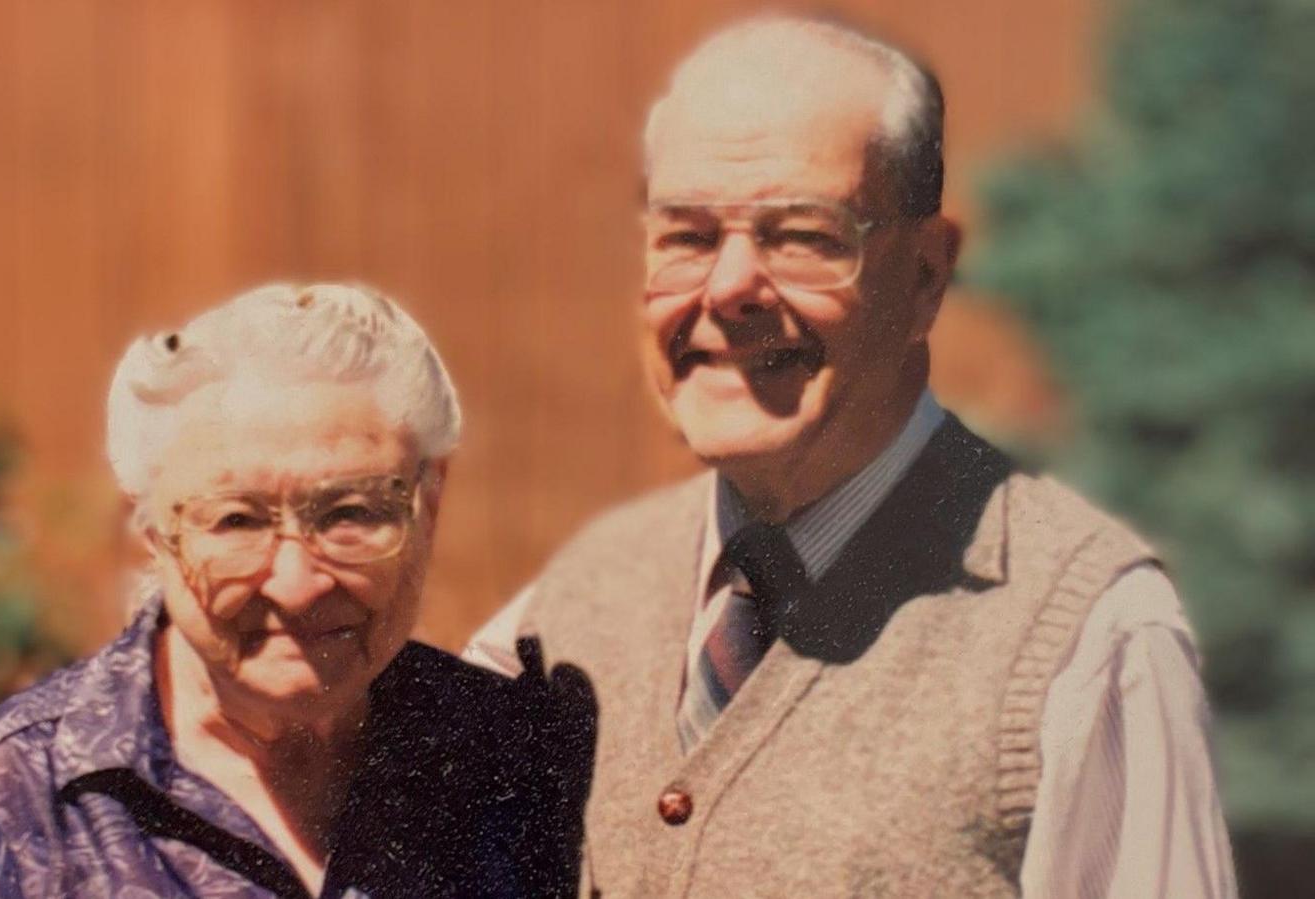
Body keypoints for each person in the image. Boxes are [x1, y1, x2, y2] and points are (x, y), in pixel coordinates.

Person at [465, 15, 1237, 898]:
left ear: (924, 278)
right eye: (687, 235)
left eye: (802, 236)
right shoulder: (569, 603)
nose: (729, 288)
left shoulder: (1093, 638)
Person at [0, 283, 574, 898]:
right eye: (236, 520)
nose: (296, 584)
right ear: (151, 530)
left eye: (352, 512)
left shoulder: (527, 767)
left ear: (430, 502)